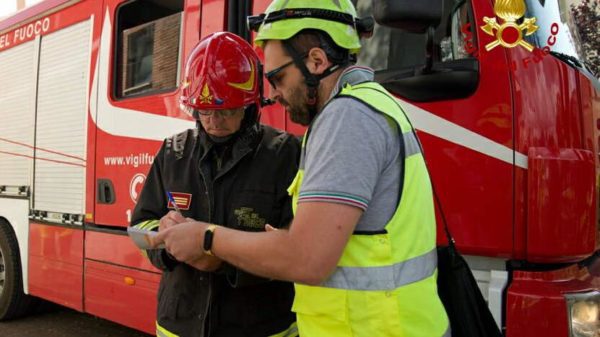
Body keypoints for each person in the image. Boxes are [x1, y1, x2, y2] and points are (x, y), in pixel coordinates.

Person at [154, 1, 450, 336]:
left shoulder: (346, 119)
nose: (274, 93)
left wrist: (206, 237)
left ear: (316, 61)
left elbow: (307, 259)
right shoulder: (373, 104)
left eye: (278, 76)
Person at [130, 31, 300, 337]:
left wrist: (222, 260)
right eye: (205, 111)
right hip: (179, 324)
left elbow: (297, 248)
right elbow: (140, 225)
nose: (214, 121)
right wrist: (167, 244)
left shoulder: (284, 154)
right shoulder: (173, 153)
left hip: (259, 325)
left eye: (226, 111)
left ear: (250, 107)